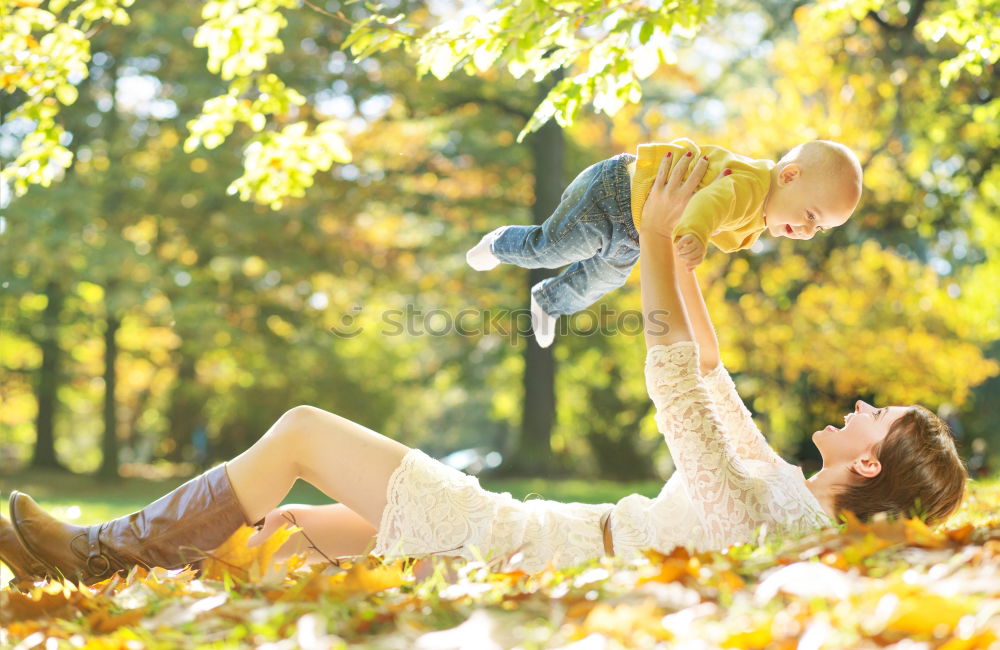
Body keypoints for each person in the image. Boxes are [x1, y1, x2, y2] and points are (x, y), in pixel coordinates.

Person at [0, 154, 962, 588]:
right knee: (281, 532)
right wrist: (684, 255)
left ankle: (98, 552)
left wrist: (663, 242)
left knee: (298, 429)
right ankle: (99, 569)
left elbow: (676, 391)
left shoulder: (777, 521)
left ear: (868, 467)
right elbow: (711, 378)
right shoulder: (785, 498)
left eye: (879, 418)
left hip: (515, 542)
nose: (864, 405)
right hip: (532, 537)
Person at [466, 139, 863, 347]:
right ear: (789, 176)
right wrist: (694, 234)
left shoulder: (759, 216)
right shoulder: (750, 186)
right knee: (553, 247)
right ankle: (501, 242)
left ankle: (550, 300)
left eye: (820, 228)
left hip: (635, 228)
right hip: (614, 192)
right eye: (811, 215)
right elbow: (711, 201)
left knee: (605, 277)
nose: (809, 231)